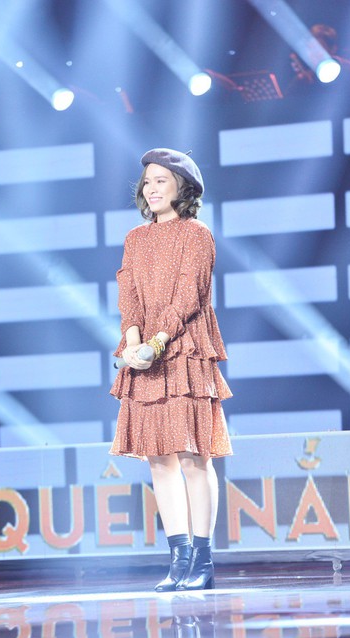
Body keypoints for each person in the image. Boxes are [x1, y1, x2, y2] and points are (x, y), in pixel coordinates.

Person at [109, 148, 232, 592]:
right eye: (147, 181)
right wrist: (134, 342)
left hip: (184, 351)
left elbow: (189, 295)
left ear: (183, 187)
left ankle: (202, 558)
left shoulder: (196, 234)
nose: (152, 188)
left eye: (161, 180)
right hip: (145, 355)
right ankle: (178, 558)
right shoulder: (135, 239)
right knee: (159, 460)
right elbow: (128, 294)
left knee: (193, 458)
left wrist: (157, 342)